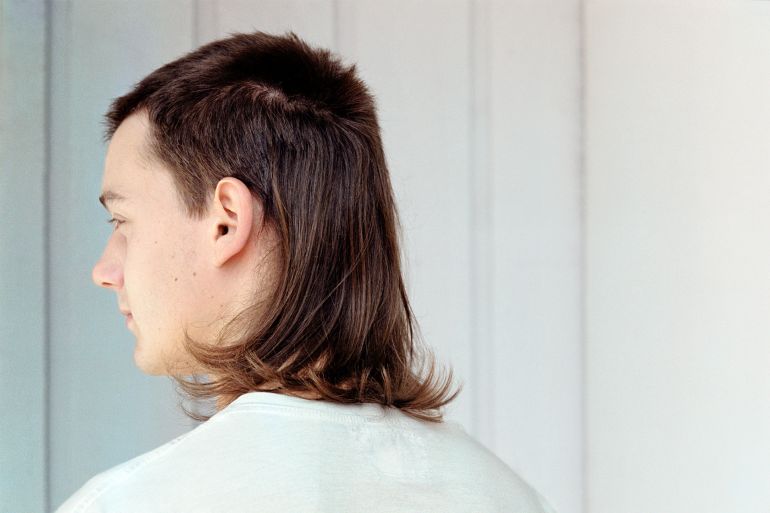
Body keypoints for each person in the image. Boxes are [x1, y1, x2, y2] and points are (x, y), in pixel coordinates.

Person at [54, 30, 557, 513]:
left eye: (122, 220)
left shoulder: (130, 504)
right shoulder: (511, 499)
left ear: (226, 221)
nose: (105, 270)